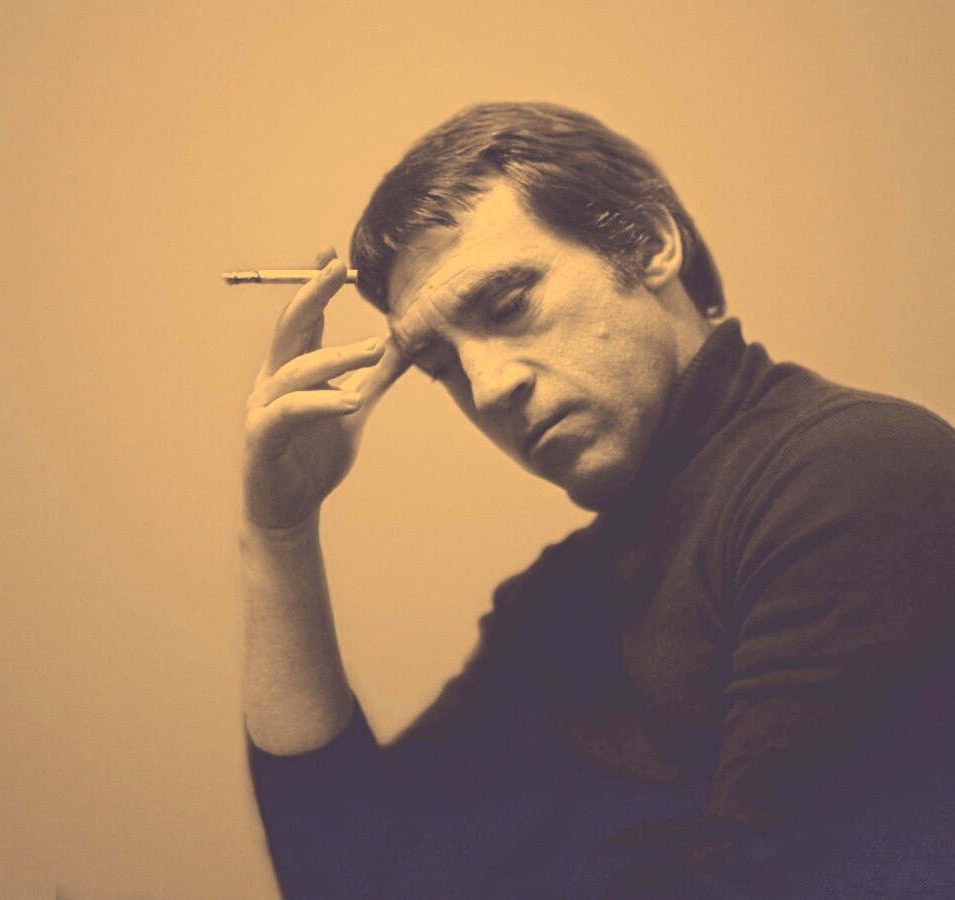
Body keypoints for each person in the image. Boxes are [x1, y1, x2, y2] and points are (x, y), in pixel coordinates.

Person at [240, 102, 955, 898]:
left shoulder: (856, 476)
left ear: (648, 242)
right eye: (441, 366)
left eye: (509, 306)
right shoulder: (560, 600)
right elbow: (352, 876)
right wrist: (281, 531)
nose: (487, 386)